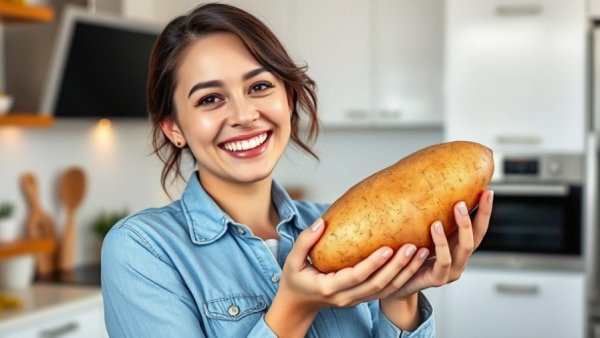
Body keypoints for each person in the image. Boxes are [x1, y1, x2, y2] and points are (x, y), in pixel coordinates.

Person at [101, 3, 494, 337]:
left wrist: (401, 293)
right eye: (210, 98)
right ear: (174, 128)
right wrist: (295, 306)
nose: (243, 115)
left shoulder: (336, 226)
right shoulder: (142, 249)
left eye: (258, 87)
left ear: (288, 98)